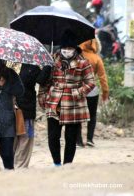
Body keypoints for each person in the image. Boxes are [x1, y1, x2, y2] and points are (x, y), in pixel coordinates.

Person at [38, 30, 95, 166]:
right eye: (64, 48)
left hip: (74, 104)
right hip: (54, 101)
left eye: (70, 48)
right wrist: (42, 96)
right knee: (53, 136)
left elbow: (91, 82)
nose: (67, 51)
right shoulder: (51, 60)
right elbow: (44, 82)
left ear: (75, 49)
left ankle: (67, 164)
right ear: (60, 48)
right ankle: (56, 163)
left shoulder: (83, 63)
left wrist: (77, 93)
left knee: (71, 138)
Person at [14, 64, 52, 168]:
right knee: (17, 138)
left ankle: (18, 166)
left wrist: (47, 67)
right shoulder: (10, 65)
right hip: (13, 107)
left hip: (25, 108)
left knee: (25, 138)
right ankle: (16, 165)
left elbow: (41, 80)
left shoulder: (29, 67)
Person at [76, 38, 109, 147]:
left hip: (78, 89)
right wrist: (105, 93)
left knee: (78, 115)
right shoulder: (97, 58)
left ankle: (79, 141)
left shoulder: (77, 56)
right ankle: (90, 139)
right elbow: (102, 78)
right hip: (92, 90)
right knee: (92, 115)